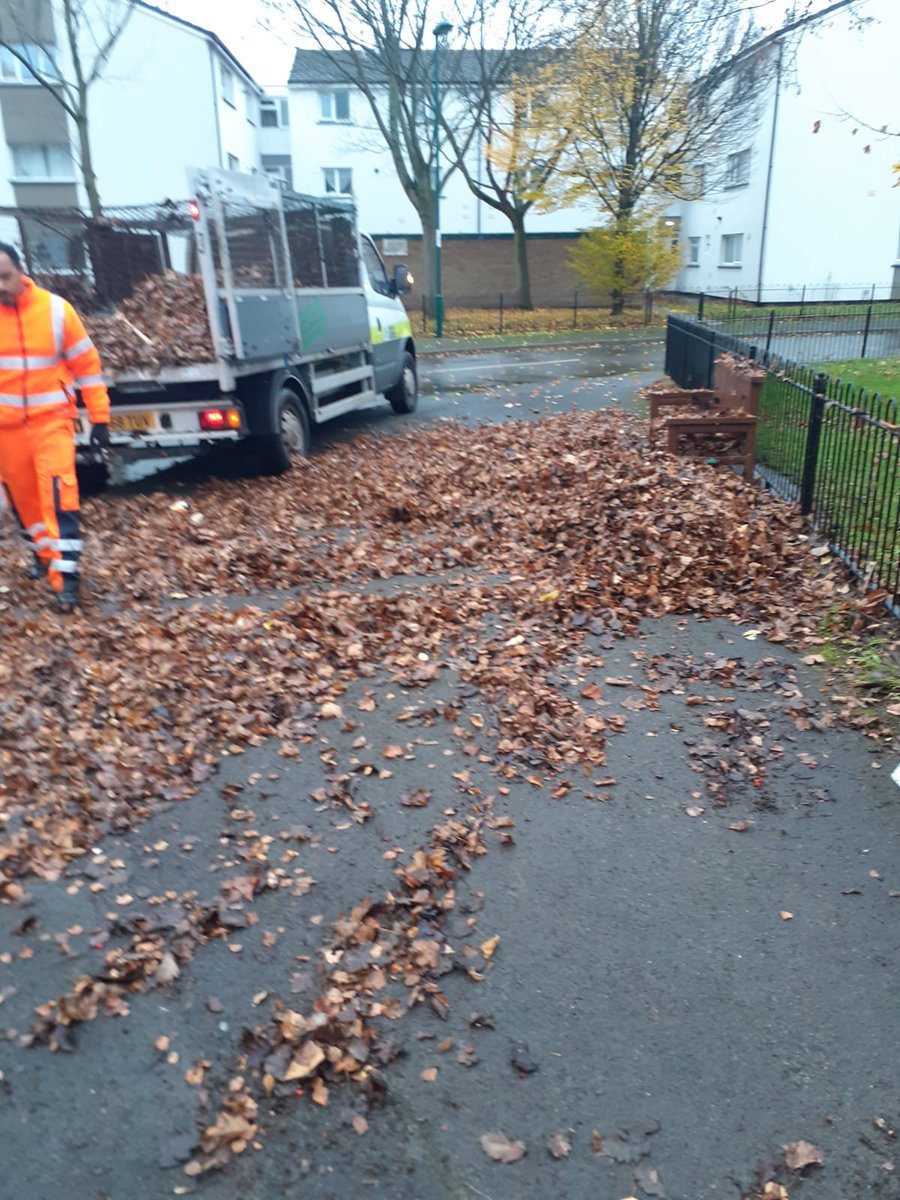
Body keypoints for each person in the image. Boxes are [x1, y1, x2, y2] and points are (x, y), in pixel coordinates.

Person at [0, 241, 111, 610]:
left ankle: (67, 580)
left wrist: (100, 419)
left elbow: (87, 367)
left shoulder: (55, 311)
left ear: (21, 272)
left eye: (5, 276)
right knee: (25, 502)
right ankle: (43, 556)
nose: (0, 285)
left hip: (52, 425)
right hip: (7, 432)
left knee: (59, 494)